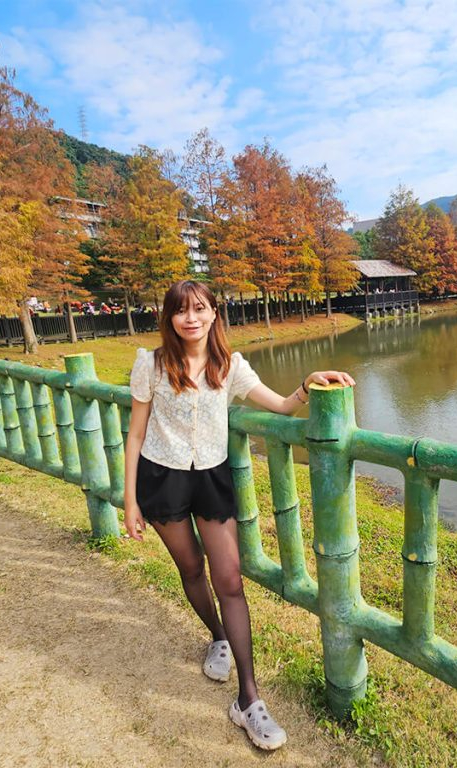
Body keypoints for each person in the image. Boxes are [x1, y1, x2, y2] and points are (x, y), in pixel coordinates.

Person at [123, 280, 354, 751]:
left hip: (211, 478)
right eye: (181, 311)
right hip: (161, 478)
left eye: (200, 309)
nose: (191, 318)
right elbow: (136, 434)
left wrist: (308, 384)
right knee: (191, 569)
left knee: (229, 579)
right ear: (169, 318)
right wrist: (130, 501)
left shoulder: (230, 365)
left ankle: (248, 699)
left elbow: (281, 406)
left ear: (214, 314)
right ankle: (218, 637)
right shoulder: (151, 364)